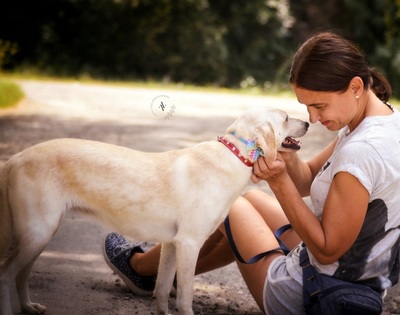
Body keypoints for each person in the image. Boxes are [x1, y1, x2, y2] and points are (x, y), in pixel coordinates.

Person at [103, 32, 400, 314]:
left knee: (230, 202)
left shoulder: (361, 151)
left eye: (319, 105)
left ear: (356, 87)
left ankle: (141, 268)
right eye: (306, 106)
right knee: (251, 201)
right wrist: (284, 153)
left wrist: (279, 181)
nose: (313, 118)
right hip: (356, 276)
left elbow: (326, 251)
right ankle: (174, 270)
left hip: (313, 292)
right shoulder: (383, 122)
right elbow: (308, 179)